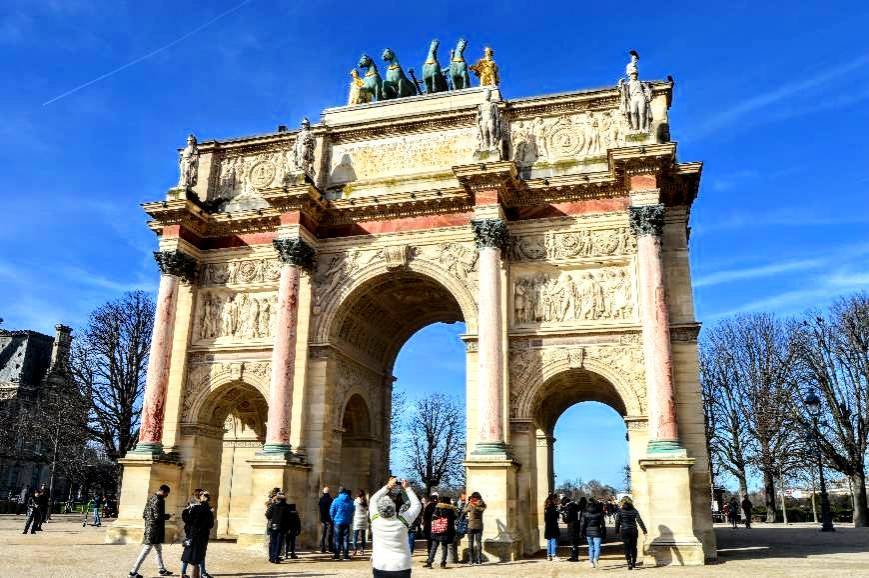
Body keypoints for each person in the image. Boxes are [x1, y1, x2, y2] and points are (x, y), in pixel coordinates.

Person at [370, 477, 421, 578]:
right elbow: (417, 505)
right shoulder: (403, 520)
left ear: (379, 510)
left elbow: (373, 500)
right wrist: (408, 488)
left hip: (381, 564)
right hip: (401, 564)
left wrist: (388, 487)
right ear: (394, 508)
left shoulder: (375, 519)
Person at [128, 484, 173, 578]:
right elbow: (158, 517)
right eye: (167, 494)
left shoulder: (151, 498)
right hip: (155, 530)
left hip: (149, 528)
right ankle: (133, 572)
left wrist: (149, 523)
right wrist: (168, 516)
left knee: (158, 549)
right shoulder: (159, 501)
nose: (167, 496)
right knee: (146, 550)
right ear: (163, 492)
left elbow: (144, 514)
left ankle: (161, 569)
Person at [181, 490, 214, 578]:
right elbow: (211, 525)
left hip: (192, 534)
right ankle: (202, 573)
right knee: (199, 556)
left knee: (189, 555)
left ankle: (183, 573)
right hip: (202, 535)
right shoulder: (208, 509)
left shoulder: (194, 507)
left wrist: (185, 510)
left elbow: (187, 520)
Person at [423, 495, 456, 569]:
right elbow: (454, 518)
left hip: (438, 529)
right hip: (447, 530)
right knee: (444, 547)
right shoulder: (451, 509)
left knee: (434, 546)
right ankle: (443, 563)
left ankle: (430, 562)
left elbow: (433, 517)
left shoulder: (437, 507)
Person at [614, 497, 646, 570]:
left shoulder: (620, 511)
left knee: (626, 547)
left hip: (624, 530)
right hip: (633, 530)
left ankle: (629, 563)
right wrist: (644, 530)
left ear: (622, 502)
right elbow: (639, 521)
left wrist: (616, 531)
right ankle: (634, 562)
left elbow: (617, 521)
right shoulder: (634, 510)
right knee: (634, 547)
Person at [330, 488, 356, 560]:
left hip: (337, 521)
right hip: (346, 522)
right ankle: (345, 555)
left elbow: (332, 510)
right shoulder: (350, 501)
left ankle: (337, 555)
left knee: (337, 538)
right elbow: (352, 510)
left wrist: (333, 518)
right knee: (345, 539)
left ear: (339, 493)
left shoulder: (336, 500)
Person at [266, 492, 291, 563]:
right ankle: (276, 557)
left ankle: (272, 557)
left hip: (274, 526)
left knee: (272, 542)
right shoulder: (286, 507)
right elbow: (289, 518)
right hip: (282, 527)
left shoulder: (273, 505)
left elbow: (268, 515)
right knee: (279, 542)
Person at [581, 497, 606, 568]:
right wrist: (604, 532)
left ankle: (591, 562)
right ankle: (596, 558)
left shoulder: (585, 513)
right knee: (597, 547)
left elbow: (582, 524)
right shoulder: (599, 514)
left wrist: (582, 532)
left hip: (588, 532)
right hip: (597, 531)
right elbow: (603, 524)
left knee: (591, 547)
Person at [464, 492, 486, 564]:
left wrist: (468, 503)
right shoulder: (483, 504)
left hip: (471, 525)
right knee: (478, 542)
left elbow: (464, 511)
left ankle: (471, 560)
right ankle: (479, 559)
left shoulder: (471, 505)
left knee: (470, 542)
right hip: (479, 525)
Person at [560, 495, 581, 562]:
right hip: (576, 525)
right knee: (575, 541)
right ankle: (574, 556)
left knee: (573, 542)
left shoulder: (569, 507)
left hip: (571, 526)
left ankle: (574, 557)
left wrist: (563, 515)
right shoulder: (575, 505)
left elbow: (567, 520)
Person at [543, 494, 560, 561]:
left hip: (548, 526)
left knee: (549, 541)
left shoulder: (546, 509)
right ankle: (554, 555)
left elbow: (545, 519)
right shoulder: (554, 509)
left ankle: (548, 555)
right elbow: (557, 517)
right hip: (553, 526)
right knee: (553, 540)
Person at [353, 490, 369, 555]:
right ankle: (362, 550)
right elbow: (367, 509)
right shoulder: (365, 501)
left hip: (357, 519)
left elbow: (353, 508)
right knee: (363, 536)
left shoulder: (355, 501)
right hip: (364, 519)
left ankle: (355, 549)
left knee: (355, 536)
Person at [422, 493, 438, 558]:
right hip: (437, 525)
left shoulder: (428, 506)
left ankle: (430, 555)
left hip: (429, 526)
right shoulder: (438, 506)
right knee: (435, 541)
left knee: (430, 541)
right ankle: (434, 555)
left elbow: (425, 517)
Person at [319, 487, 334, 554]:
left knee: (323, 534)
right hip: (330, 519)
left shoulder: (321, 499)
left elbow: (321, 510)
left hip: (323, 519)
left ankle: (323, 548)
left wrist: (323, 519)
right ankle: (330, 548)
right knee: (330, 534)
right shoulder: (331, 499)